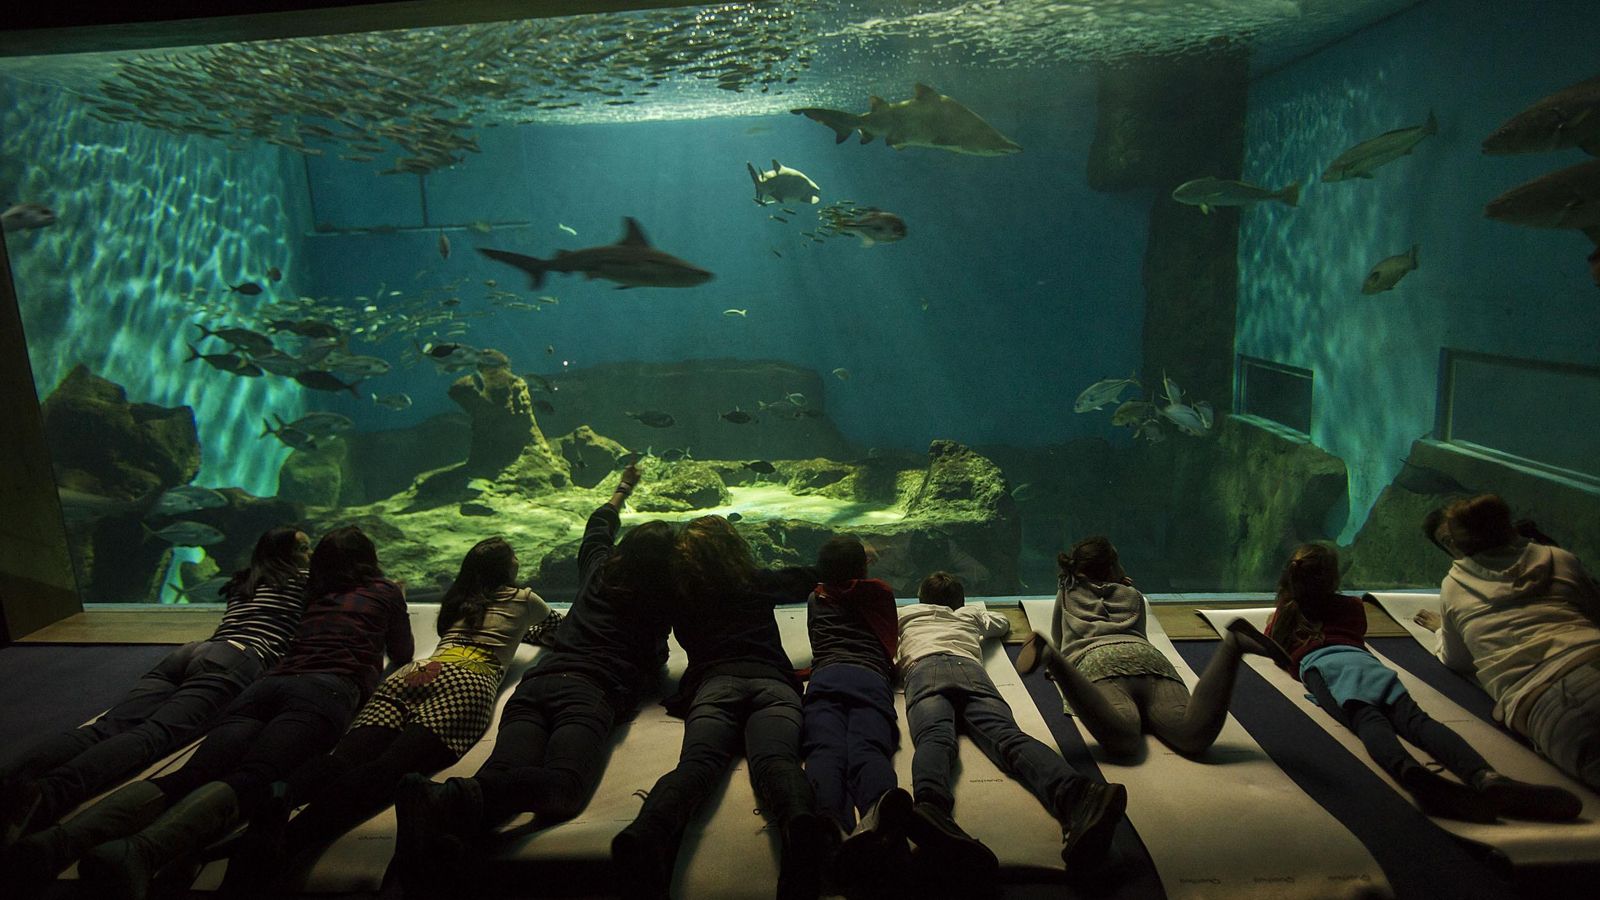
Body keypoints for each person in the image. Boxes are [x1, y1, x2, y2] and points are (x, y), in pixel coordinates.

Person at [5, 525, 412, 895]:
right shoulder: (380, 591)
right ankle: (142, 852)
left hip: (265, 683)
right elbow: (403, 651)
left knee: (193, 771)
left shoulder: (312, 591)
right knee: (255, 775)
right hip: (323, 690)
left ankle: (57, 842)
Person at [393, 465, 674, 885]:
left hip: (537, 684)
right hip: (588, 692)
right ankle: (441, 797)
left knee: (500, 772)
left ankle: (442, 848)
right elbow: (654, 660)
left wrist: (623, 489)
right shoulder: (661, 595)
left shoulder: (599, 569)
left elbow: (598, 525)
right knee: (564, 787)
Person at [221, 535, 551, 889]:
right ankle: (290, 841)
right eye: (514, 556)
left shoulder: (460, 601)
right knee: (387, 769)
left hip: (419, 672)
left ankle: (262, 813)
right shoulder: (525, 598)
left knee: (341, 760)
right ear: (508, 566)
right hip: (467, 681)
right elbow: (557, 629)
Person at [0, 526, 310, 845]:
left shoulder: (245, 579)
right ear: (286, 554)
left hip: (190, 653)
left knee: (106, 726)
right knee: (153, 734)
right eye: (303, 549)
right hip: (238, 657)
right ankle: (48, 794)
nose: (309, 555)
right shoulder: (304, 581)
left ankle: (11, 778)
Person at [1267, 542, 1578, 821]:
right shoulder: (1352, 607)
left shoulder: (1286, 613)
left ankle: (1410, 772)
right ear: (1333, 579)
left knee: (1367, 720)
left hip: (1324, 670)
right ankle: (1484, 775)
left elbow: (1275, 648)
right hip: (1365, 664)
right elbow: (1356, 629)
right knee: (1418, 721)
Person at [610, 514, 824, 900]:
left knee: (697, 766)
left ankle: (646, 833)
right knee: (777, 762)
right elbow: (807, 576)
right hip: (773, 683)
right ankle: (801, 823)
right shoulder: (755, 581)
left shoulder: (679, 591)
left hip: (715, 686)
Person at [898, 571, 1127, 886]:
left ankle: (931, 808)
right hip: (970, 669)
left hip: (924, 669)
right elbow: (1002, 623)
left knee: (935, 738)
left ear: (921, 598)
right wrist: (973, 615)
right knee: (1007, 737)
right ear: (959, 601)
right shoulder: (970, 615)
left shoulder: (908, 614)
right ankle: (1079, 795)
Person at [1013, 536, 1290, 758]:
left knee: (1124, 739)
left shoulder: (1067, 593)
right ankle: (1233, 645)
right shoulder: (1132, 594)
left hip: (1098, 663)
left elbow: (1062, 640)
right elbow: (1139, 632)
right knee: (1192, 734)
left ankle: (1050, 659)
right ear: (1112, 570)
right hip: (1151, 662)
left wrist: (1061, 661)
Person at [1415, 493, 1600, 791]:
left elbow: (1456, 660)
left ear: (1459, 544)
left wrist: (1441, 630)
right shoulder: (1559, 558)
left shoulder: (1454, 586)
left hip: (1548, 702)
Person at [800, 535, 907, 894]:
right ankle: (878, 817)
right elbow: (885, 635)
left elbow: (818, 639)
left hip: (826, 677)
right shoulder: (881, 594)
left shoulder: (816, 598)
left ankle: (830, 823)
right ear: (862, 567)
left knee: (825, 749)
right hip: (868, 678)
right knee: (869, 747)